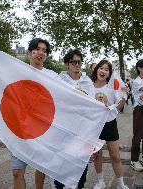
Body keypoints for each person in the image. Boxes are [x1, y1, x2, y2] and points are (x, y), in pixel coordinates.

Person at [0, 36, 61, 189]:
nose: (41, 53)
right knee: (16, 171)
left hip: (42, 131)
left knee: (41, 168)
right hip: (19, 130)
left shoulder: (52, 76)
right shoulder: (15, 70)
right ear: (30, 52)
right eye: (37, 49)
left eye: (44, 51)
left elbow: (69, 95)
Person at [52, 49, 94, 189]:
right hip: (64, 130)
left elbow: (93, 105)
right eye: (73, 62)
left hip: (82, 131)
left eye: (79, 62)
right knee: (62, 163)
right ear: (67, 64)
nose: (77, 64)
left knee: (81, 164)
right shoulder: (58, 80)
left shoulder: (87, 81)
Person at [91, 59, 128, 189]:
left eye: (107, 69)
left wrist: (124, 96)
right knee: (96, 155)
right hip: (95, 126)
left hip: (110, 123)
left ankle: (121, 183)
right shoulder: (88, 85)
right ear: (96, 70)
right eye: (101, 68)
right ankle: (100, 181)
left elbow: (118, 107)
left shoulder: (112, 87)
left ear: (109, 73)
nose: (103, 71)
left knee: (115, 156)